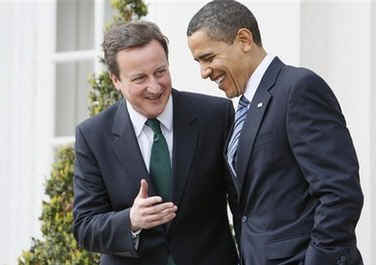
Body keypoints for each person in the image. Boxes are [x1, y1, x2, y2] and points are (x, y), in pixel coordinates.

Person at [187, 1, 364, 265]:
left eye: (208, 58)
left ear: (244, 40)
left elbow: (340, 193)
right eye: (198, 62)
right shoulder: (244, 108)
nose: (203, 73)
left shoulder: (298, 88)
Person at [73, 21, 238, 265]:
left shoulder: (215, 116)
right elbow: (85, 227)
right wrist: (131, 219)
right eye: (140, 78)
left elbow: (244, 204)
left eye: (160, 72)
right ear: (115, 80)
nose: (155, 86)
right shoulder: (93, 135)